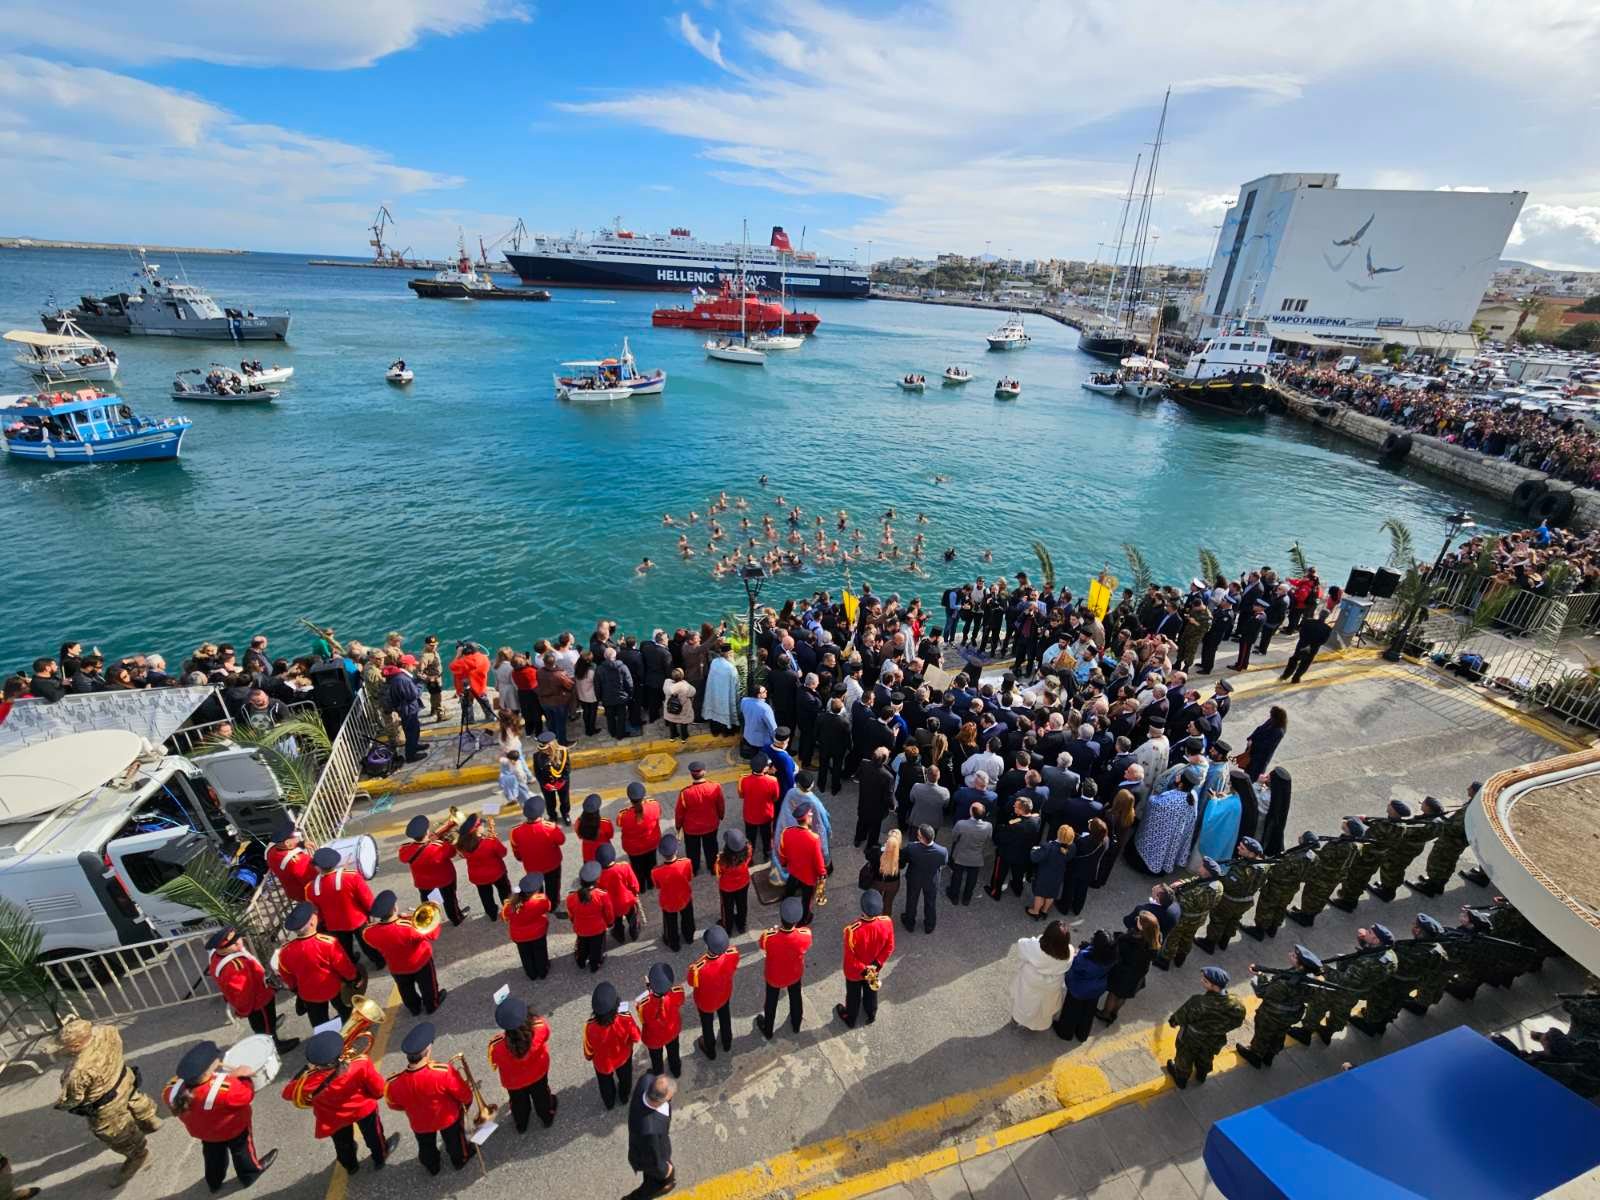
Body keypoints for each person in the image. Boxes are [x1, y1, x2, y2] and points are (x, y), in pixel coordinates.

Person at [53, 1017, 162, 1186]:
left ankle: (138, 1156)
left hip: (107, 1104)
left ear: (74, 1046)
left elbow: (73, 1099)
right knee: (134, 1098)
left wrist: (61, 1105)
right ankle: (151, 1120)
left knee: (115, 1134)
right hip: (123, 1077)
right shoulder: (107, 1031)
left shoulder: (77, 1072)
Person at [163, 1040, 276, 1190]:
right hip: (234, 1129)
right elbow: (247, 1095)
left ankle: (214, 1182)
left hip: (204, 1133)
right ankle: (250, 1174)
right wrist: (241, 1076)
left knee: (213, 1156)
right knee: (242, 1152)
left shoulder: (170, 1090)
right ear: (208, 1072)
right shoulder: (226, 1089)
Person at [282, 1029, 396, 1174]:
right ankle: (380, 1157)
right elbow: (379, 1090)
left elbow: (286, 1094)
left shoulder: (308, 1081)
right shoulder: (360, 1064)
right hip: (363, 1109)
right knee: (374, 1135)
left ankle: (351, 1167)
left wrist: (302, 1074)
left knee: (342, 1144)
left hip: (332, 1118)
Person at [385, 1023, 475, 1175]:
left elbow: (394, 1105)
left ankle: (432, 1167)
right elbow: (463, 1094)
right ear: (427, 1050)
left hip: (419, 1122)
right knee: (455, 1142)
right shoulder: (443, 1072)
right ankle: (460, 1160)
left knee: (426, 1146)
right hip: (447, 1118)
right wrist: (466, 1103)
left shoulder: (393, 1082)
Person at [205, 926, 297, 1053]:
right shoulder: (235, 966)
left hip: (259, 995)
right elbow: (243, 994)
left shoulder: (218, 955)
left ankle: (270, 1027)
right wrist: (245, 1010)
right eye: (235, 941)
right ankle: (274, 1046)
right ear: (227, 947)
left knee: (265, 1022)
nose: (240, 942)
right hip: (258, 1002)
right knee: (265, 1025)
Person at [276, 902, 360, 1029]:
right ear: (312, 923)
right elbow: (343, 966)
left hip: (308, 993)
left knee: (320, 1023)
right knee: (346, 1011)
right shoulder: (328, 943)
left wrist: (295, 988)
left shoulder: (285, 952)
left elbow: (287, 975)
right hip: (333, 987)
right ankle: (351, 1030)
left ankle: (326, 1040)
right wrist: (353, 977)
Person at [1236, 946, 1322, 1069]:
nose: (1290, 954)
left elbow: (1263, 992)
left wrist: (1260, 976)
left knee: (1263, 1034)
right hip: (1291, 1015)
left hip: (1272, 1015)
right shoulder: (1311, 981)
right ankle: (1269, 1056)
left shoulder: (1284, 983)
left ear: (1301, 966)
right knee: (1279, 1034)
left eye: (1294, 956)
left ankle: (1255, 1055)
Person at [361, 890, 445, 1015]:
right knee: (428, 986)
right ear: (395, 908)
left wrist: (403, 918)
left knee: (405, 989)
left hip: (396, 967)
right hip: (420, 962)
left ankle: (414, 1008)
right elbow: (433, 934)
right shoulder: (408, 927)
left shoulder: (369, 932)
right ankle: (432, 1004)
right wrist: (434, 915)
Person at [1165, 966, 1247, 1089]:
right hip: (1214, 1039)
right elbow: (1237, 1022)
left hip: (1192, 1038)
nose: (1201, 981)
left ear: (1214, 986)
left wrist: (1173, 1022)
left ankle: (1181, 1078)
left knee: (1185, 1057)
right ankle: (1201, 1075)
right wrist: (1219, 1029)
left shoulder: (1198, 1002)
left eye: (1205, 981)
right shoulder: (1236, 1004)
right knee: (1206, 1056)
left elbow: (1180, 1017)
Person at [487, 997, 556, 1133]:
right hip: (538, 1073)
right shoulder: (540, 1027)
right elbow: (546, 1035)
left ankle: (521, 1124)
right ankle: (546, 1117)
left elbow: (494, 1062)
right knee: (542, 1095)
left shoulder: (496, 1045)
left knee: (518, 1102)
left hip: (513, 1082)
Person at [307, 845, 378, 967]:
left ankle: (351, 964)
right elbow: (367, 898)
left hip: (334, 924)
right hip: (357, 919)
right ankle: (378, 961)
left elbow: (317, 909)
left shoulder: (311, 888)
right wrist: (372, 912)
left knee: (344, 949)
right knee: (367, 943)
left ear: (318, 868)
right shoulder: (352, 876)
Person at [1288, 817, 1365, 928]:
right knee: (1319, 897)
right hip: (1332, 877)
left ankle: (1306, 918)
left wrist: (1307, 845)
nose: (1344, 823)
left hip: (1323, 876)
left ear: (1349, 830)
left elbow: (1323, 857)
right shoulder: (1351, 844)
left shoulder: (1341, 846)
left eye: (1346, 824)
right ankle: (1306, 913)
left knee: (1312, 895)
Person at [836, 889, 896, 1028]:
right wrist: (875, 964)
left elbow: (851, 958)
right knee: (871, 992)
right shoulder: (886, 922)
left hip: (855, 972)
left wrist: (864, 969)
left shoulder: (851, 931)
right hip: (874, 968)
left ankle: (850, 1018)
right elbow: (890, 946)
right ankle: (871, 1013)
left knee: (853, 996)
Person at [1195, 839, 1266, 954]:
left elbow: (1228, 884)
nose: (1238, 848)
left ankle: (1209, 943)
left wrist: (1216, 876)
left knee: (1218, 920)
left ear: (1252, 854)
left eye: (1242, 848)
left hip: (1230, 901)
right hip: (1246, 901)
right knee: (1233, 920)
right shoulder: (1262, 866)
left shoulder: (1241, 870)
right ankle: (1224, 941)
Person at [757, 896, 813, 1038]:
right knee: (795, 997)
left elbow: (761, 945)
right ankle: (796, 1024)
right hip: (794, 973)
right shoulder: (805, 935)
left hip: (774, 975)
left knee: (771, 1002)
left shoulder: (769, 936)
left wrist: (774, 930)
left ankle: (768, 1029)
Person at [1129, 766, 1202, 875]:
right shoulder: (1193, 796)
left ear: (1181, 783)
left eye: (1179, 776)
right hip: (1174, 835)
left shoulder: (1172, 799)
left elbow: (1154, 803)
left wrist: (1153, 796)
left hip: (1160, 835)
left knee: (1152, 850)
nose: (1177, 776)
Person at [1152, 860, 1222, 971]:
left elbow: (1184, 902)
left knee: (1173, 937)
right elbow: (1195, 880)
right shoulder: (1217, 885)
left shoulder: (1201, 891)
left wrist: (1170, 894)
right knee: (1188, 937)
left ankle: (1164, 960)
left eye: (1203, 866)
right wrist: (1182, 882)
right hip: (1198, 919)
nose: (1200, 866)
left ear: (1207, 872)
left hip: (1186, 918)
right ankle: (1181, 957)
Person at [398, 815, 467, 925]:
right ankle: (456, 918)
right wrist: (444, 840)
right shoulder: (438, 846)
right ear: (427, 831)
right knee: (450, 900)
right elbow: (452, 853)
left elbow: (404, 858)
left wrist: (433, 841)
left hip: (423, 882)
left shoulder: (405, 849)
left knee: (428, 903)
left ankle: (428, 922)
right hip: (444, 880)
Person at [1412, 782, 1479, 896]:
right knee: (1448, 863)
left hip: (1451, 841)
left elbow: (1456, 828)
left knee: (1437, 861)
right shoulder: (1474, 805)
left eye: (1470, 788)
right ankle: (1438, 884)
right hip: (1458, 842)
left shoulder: (1471, 809)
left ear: (1474, 792)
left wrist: (1441, 824)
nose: (1468, 788)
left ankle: (1431, 887)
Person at [583, 982, 641, 1110]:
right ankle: (624, 1097)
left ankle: (609, 1103)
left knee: (605, 1084)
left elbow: (588, 1052)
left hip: (603, 1063)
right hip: (623, 1057)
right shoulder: (625, 1018)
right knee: (625, 1079)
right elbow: (636, 1037)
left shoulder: (589, 1026)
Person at [687, 925, 740, 1060]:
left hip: (706, 1002)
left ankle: (710, 1050)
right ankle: (727, 1042)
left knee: (707, 1025)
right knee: (725, 1017)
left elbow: (691, 982)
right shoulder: (733, 953)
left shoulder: (698, 967)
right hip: (724, 994)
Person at [1010, 919, 1073, 1031]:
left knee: (1025, 1001)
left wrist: (1037, 939)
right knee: (1045, 1006)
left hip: (1031, 981)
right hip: (1052, 985)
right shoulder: (1069, 953)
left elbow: (1021, 943)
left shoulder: (1034, 948)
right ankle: (1039, 1026)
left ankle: (1019, 1019)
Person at [1099, 911, 1160, 1025]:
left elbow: (1118, 950)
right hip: (1138, 974)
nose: (1136, 919)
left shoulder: (1130, 941)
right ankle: (1114, 1013)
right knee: (1123, 995)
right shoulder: (1155, 939)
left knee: (1114, 993)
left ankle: (1105, 1013)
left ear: (1141, 927)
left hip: (1123, 972)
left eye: (1139, 920)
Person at [1055, 929, 1114, 1042]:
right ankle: (1082, 1034)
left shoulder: (1084, 957)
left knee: (1071, 1011)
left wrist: (1081, 951)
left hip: (1079, 989)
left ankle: (1065, 1033)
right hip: (1097, 989)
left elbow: (1074, 967)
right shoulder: (1112, 957)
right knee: (1088, 1012)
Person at [625, 1073, 677, 1200]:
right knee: (653, 1184)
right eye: (670, 1097)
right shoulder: (649, 1131)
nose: (671, 1099)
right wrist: (666, 1170)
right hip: (648, 1156)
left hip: (648, 1147)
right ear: (659, 1100)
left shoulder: (646, 1080)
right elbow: (653, 1159)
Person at [511, 801, 567, 908]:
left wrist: (520, 858)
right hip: (552, 865)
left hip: (531, 867)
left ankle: (538, 906)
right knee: (553, 887)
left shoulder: (515, 831)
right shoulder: (550, 827)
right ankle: (553, 905)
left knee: (535, 890)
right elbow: (561, 840)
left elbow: (516, 851)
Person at [778, 803, 827, 925]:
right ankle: (804, 919)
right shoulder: (814, 839)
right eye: (810, 814)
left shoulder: (787, 832)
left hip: (793, 869)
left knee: (791, 885)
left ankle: (786, 903)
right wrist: (822, 875)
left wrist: (784, 863)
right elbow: (819, 862)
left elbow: (782, 853)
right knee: (807, 899)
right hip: (808, 876)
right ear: (807, 818)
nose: (811, 816)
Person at [637, 963, 686, 1078]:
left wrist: (650, 989)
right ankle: (676, 1070)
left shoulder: (643, 1004)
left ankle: (659, 1075)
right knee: (674, 1052)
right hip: (672, 1031)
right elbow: (679, 1001)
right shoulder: (678, 992)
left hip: (654, 1037)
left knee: (656, 1058)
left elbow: (644, 1020)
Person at [457, 813, 511, 919]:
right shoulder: (490, 842)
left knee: (485, 896)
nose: (483, 826)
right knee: (505, 892)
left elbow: (464, 855)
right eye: (481, 825)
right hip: (497, 873)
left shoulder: (462, 845)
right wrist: (495, 839)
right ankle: (509, 912)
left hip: (478, 877)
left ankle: (492, 914)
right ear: (476, 829)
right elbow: (503, 853)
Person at [676, 762, 726, 874]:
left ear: (691, 774)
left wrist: (678, 826)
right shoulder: (715, 787)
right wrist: (721, 816)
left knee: (692, 850)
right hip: (711, 825)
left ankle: (694, 869)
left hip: (691, 829)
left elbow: (679, 813)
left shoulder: (685, 792)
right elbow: (720, 804)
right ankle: (713, 868)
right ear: (704, 772)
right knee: (711, 847)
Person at [568, 861, 616, 974]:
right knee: (597, 948)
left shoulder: (572, 897)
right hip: (597, 928)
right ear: (596, 880)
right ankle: (595, 964)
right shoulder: (602, 895)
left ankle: (581, 961)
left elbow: (571, 914)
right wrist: (610, 922)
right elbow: (608, 912)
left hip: (580, 928)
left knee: (582, 945)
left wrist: (574, 922)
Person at [503, 874, 553, 980]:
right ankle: (542, 971)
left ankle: (531, 974)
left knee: (525, 955)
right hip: (538, 933)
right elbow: (548, 907)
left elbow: (505, 916)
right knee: (540, 952)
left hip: (519, 936)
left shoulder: (510, 904)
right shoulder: (540, 900)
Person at [651, 834, 696, 951]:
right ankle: (689, 937)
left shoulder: (656, 871)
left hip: (668, 901)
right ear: (676, 850)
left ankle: (674, 943)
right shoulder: (686, 862)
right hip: (684, 897)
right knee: (688, 918)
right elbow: (689, 877)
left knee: (670, 924)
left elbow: (658, 886)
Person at [902, 822, 948, 934]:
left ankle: (909, 923)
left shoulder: (912, 848)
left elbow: (904, 858)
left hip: (914, 878)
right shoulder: (942, 851)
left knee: (911, 901)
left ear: (921, 838)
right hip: (931, 880)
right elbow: (944, 863)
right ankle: (929, 925)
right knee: (930, 902)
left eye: (918, 835)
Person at [621, 782, 665, 890]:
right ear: (644, 796)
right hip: (651, 843)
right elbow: (659, 813)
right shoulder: (654, 805)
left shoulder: (623, 815)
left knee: (637, 867)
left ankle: (641, 886)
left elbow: (620, 823)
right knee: (651, 863)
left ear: (630, 799)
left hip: (634, 849)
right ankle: (651, 883)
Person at [946, 803, 992, 906]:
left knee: (957, 876)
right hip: (976, 857)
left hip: (960, 855)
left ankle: (954, 896)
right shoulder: (988, 826)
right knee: (972, 878)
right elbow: (988, 840)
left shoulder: (961, 824)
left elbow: (954, 837)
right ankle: (967, 898)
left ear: (971, 812)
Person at [598, 844, 644, 944]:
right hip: (627, 900)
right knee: (632, 918)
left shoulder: (599, 875)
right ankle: (634, 933)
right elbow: (634, 884)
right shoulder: (624, 867)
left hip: (612, 905)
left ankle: (620, 936)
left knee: (617, 922)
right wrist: (635, 892)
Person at [265, 816, 317, 902]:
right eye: (295, 835)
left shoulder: (270, 851)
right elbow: (314, 882)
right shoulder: (299, 861)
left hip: (293, 892)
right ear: (287, 843)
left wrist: (301, 844)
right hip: (307, 895)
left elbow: (284, 851)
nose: (298, 837)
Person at [739, 754, 780, 861]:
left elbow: (742, 795)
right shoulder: (772, 781)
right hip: (766, 815)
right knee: (766, 837)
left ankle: (749, 858)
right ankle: (767, 855)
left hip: (749, 815)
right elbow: (775, 798)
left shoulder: (744, 780)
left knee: (750, 838)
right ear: (764, 768)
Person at [1028, 825, 1074, 918]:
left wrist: (1034, 849)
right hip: (1058, 874)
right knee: (1051, 894)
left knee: (1040, 893)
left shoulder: (1048, 847)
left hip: (1045, 874)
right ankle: (1044, 911)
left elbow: (1035, 858)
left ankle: (1035, 911)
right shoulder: (1072, 847)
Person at [1065, 819, 1108, 916]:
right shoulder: (1105, 841)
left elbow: (1076, 852)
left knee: (1069, 887)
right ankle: (1077, 909)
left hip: (1077, 868)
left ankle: (1064, 906)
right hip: (1090, 869)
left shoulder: (1083, 841)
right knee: (1082, 890)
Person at [855, 745, 895, 848]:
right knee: (875, 827)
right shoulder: (888, 776)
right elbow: (888, 796)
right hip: (877, 808)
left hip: (863, 801)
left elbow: (858, 776)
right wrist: (892, 806)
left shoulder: (864, 763)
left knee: (861, 821)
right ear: (885, 760)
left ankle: (858, 839)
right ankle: (871, 845)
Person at [714, 828, 753, 934]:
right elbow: (749, 859)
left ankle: (728, 927)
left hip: (727, 888)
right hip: (743, 883)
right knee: (742, 904)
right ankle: (742, 925)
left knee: (727, 907)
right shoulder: (748, 850)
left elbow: (718, 873)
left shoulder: (721, 859)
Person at [1280, 605, 1333, 683]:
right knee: (1305, 664)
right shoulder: (1327, 629)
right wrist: (1311, 646)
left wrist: (1305, 643)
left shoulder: (1308, 621)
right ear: (1327, 617)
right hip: (1312, 649)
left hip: (1302, 645)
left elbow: (1301, 632)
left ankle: (1285, 675)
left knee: (1294, 659)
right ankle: (1296, 678)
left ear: (1319, 614)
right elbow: (1323, 641)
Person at [387, 662, 428, 763]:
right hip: (408, 709)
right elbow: (414, 694)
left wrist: (417, 680)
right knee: (411, 732)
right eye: (413, 665)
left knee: (415, 729)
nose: (414, 667)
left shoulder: (400, 678)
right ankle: (411, 756)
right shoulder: (402, 679)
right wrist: (421, 683)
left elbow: (408, 688)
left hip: (407, 708)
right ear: (405, 666)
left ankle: (415, 746)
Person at [449, 642, 494, 726]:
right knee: (484, 703)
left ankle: (470, 722)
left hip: (466, 690)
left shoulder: (462, 662)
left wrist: (458, 654)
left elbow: (452, 667)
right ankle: (491, 717)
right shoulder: (484, 658)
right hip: (480, 687)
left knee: (467, 706)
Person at [1238, 706, 1288, 776]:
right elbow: (1259, 729)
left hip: (1260, 758)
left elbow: (1266, 746)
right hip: (1253, 752)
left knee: (1253, 774)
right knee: (1247, 769)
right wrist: (1251, 738)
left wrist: (1253, 744)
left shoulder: (1279, 731)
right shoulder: (1271, 721)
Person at [703, 643, 741, 736]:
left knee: (715, 715)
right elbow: (736, 684)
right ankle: (727, 732)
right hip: (725, 696)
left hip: (715, 694)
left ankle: (715, 730)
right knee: (727, 712)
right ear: (729, 654)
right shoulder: (731, 668)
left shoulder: (714, 662)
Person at [739, 686, 778, 758]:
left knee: (754, 757)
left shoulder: (744, 701)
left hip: (748, 736)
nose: (766, 691)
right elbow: (772, 728)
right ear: (759, 695)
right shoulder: (766, 708)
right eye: (764, 691)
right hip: (762, 741)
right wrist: (776, 741)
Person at [577, 792, 616, 863]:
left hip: (587, 855)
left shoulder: (578, 822)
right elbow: (610, 835)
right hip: (604, 854)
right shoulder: (605, 823)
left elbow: (579, 835)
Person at [662, 668, 696, 740]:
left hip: (670, 708)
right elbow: (693, 692)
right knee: (683, 722)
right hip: (683, 709)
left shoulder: (667, 683)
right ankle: (684, 736)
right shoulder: (686, 685)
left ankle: (673, 735)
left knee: (672, 721)